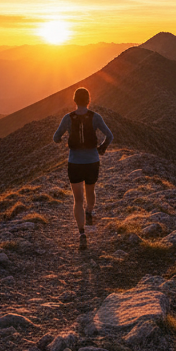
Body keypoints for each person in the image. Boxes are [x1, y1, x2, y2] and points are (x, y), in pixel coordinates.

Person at [53, 87, 114, 251]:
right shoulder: (95, 117)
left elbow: (56, 137)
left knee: (77, 198)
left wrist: (62, 140)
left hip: (74, 162)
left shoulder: (68, 118)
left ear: (74, 100)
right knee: (90, 191)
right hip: (92, 161)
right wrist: (102, 148)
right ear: (89, 100)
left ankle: (81, 233)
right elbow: (110, 135)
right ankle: (89, 212)